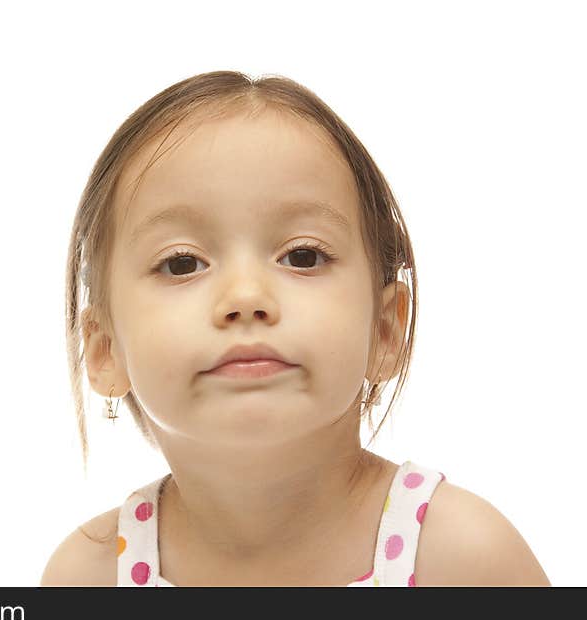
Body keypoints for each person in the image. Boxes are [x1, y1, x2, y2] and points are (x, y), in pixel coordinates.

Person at [41, 71, 550, 586]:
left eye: (302, 255)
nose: (245, 298)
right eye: (181, 263)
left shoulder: (464, 559)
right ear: (104, 350)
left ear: (386, 330)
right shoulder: (88, 577)